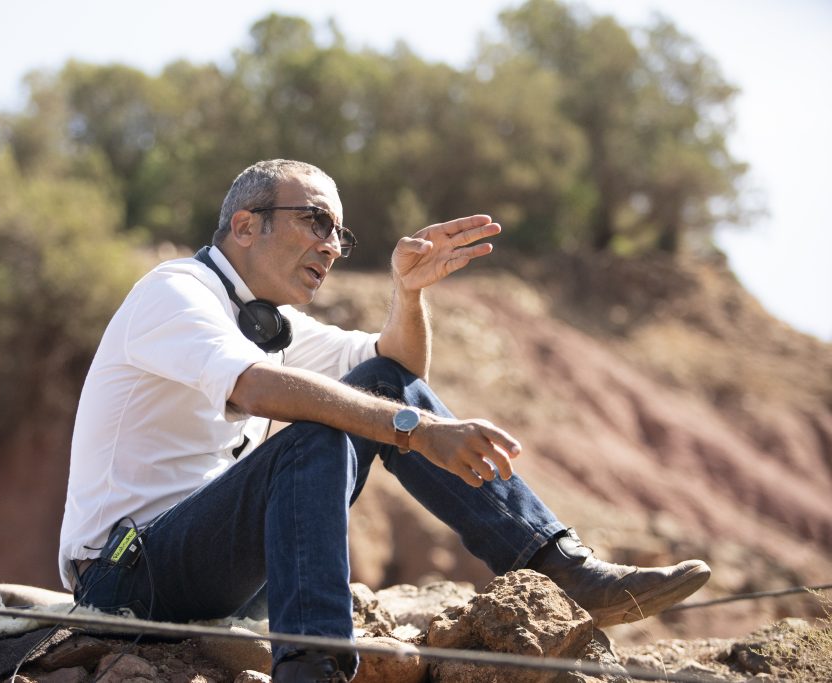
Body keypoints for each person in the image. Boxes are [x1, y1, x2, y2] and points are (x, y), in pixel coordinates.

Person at [58, 159, 710, 682]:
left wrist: (408, 293)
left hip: (212, 570)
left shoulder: (269, 322)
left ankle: (559, 564)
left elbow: (394, 372)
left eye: (339, 234)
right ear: (246, 225)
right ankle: (312, 667)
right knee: (317, 431)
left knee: (368, 397)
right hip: (126, 576)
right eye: (316, 221)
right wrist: (419, 431)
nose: (331, 246)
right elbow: (257, 388)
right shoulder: (175, 292)